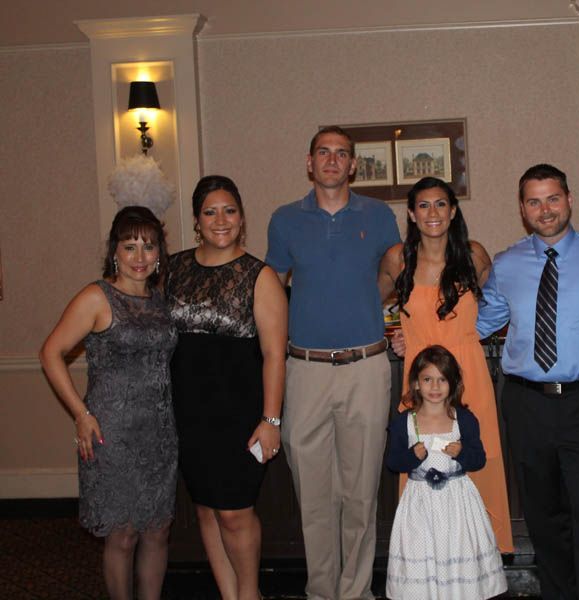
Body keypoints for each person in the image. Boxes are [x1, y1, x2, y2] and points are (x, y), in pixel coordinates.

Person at [475, 163, 579, 599]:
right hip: (526, 403)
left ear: (570, 200)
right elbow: (478, 325)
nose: (545, 210)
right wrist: (416, 329)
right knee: (543, 517)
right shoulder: (506, 265)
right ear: (523, 209)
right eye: (534, 201)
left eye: (553, 198)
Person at [266, 126, 401, 600]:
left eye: (341, 154)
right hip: (304, 371)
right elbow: (272, 286)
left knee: (360, 493)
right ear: (309, 162)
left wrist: (370, 299)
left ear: (352, 166)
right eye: (323, 152)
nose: (331, 160)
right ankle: (322, 591)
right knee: (314, 498)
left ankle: (356, 592)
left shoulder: (379, 215)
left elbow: (395, 269)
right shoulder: (284, 220)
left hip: (366, 367)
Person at [39, 206, 177, 600]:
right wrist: (80, 415)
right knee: (123, 535)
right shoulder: (97, 297)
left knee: (158, 530)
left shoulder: (160, 300)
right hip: (111, 434)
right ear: (114, 251)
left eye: (148, 247)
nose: (139, 257)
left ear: (159, 253)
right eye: (129, 246)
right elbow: (51, 353)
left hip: (160, 434)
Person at [378, 176, 514, 554]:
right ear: (411, 213)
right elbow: (367, 307)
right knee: (422, 463)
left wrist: (473, 333)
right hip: (419, 379)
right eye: (423, 205)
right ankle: (426, 560)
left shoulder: (474, 255)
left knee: (476, 460)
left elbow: (501, 301)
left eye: (441, 204)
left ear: (453, 211)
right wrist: (397, 336)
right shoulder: (396, 258)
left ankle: (480, 559)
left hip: (468, 371)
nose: (432, 213)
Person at [168, 175, 287, 600]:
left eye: (230, 210)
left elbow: (275, 355)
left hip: (240, 416)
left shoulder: (260, 275)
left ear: (242, 217)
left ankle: (248, 594)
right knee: (206, 509)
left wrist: (270, 420)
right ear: (197, 220)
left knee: (235, 513)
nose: (221, 220)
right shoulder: (173, 269)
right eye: (210, 212)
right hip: (188, 414)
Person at [384, 345, 508, 600]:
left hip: (457, 503)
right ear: (416, 384)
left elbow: (479, 460)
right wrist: (412, 457)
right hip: (419, 505)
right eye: (427, 379)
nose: (435, 387)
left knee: (458, 550)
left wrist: (461, 453)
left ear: (453, 384)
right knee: (422, 554)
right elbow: (393, 462)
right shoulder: (404, 422)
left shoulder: (463, 419)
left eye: (442, 380)